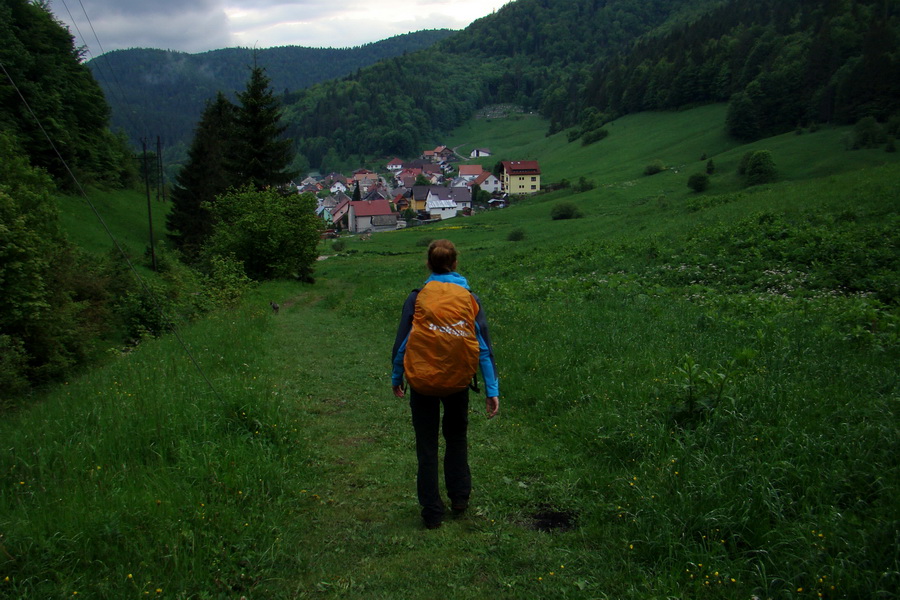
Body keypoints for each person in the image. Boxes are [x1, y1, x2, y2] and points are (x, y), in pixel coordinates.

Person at [391, 239, 500, 529]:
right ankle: (460, 498)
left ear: (429, 264)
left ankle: (431, 512)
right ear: (455, 264)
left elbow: (403, 342)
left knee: (426, 446)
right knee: (456, 438)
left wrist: (396, 376)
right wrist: (492, 390)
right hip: (456, 382)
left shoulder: (417, 297)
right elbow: (484, 347)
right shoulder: (469, 298)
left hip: (423, 382)